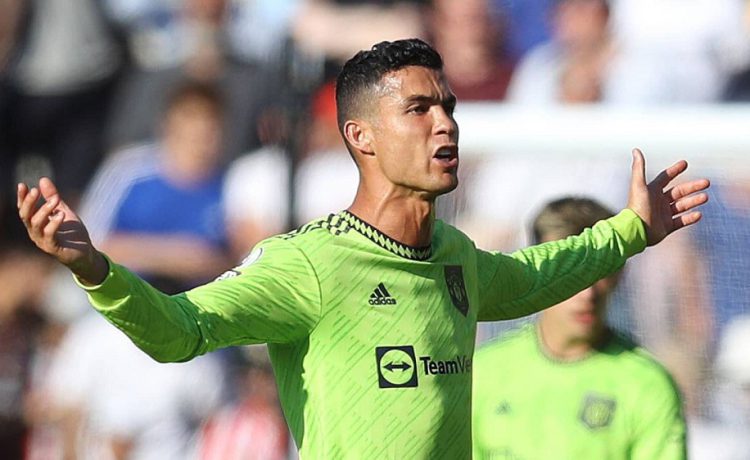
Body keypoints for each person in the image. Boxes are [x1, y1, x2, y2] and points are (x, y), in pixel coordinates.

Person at [17, 39, 709, 459]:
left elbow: (536, 275)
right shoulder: (308, 264)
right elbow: (179, 331)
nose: (445, 124)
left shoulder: (456, 257)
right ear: (361, 136)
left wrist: (631, 231)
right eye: (418, 109)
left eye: (448, 107)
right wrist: (94, 269)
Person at [472, 197, 687, 460]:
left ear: (620, 274)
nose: (587, 293)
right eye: (570, 275)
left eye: (601, 271)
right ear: (537, 274)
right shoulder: (482, 371)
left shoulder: (647, 385)